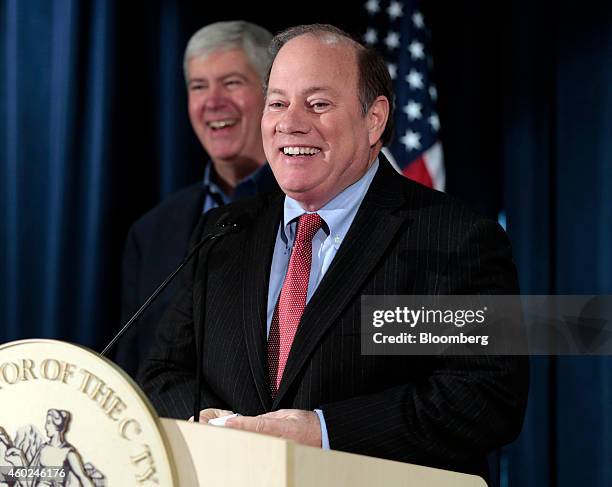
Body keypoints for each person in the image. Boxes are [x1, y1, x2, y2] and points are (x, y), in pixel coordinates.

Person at [139, 24, 528, 480]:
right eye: (278, 103)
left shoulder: (450, 240)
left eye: (318, 104)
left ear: (374, 119)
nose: (290, 122)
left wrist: (323, 432)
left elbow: (484, 396)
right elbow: (163, 374)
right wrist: (207, 420)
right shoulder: (224, 232)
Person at [115, 21, 278, 377]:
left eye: (232, 83)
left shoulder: (313, 210)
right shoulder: (152, 231)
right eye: (198, 86)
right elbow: (133, 364)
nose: (213, 102)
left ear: (272, 94)